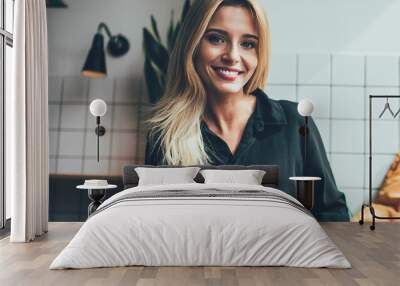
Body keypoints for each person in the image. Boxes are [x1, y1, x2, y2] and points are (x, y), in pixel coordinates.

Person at [144, 0, 349, 221]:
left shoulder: (296, 123)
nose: (232, 56)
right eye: (216, 39)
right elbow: (156, 223)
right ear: (192, 45)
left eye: (248, 44)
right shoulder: (165, 134)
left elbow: (332, 214)